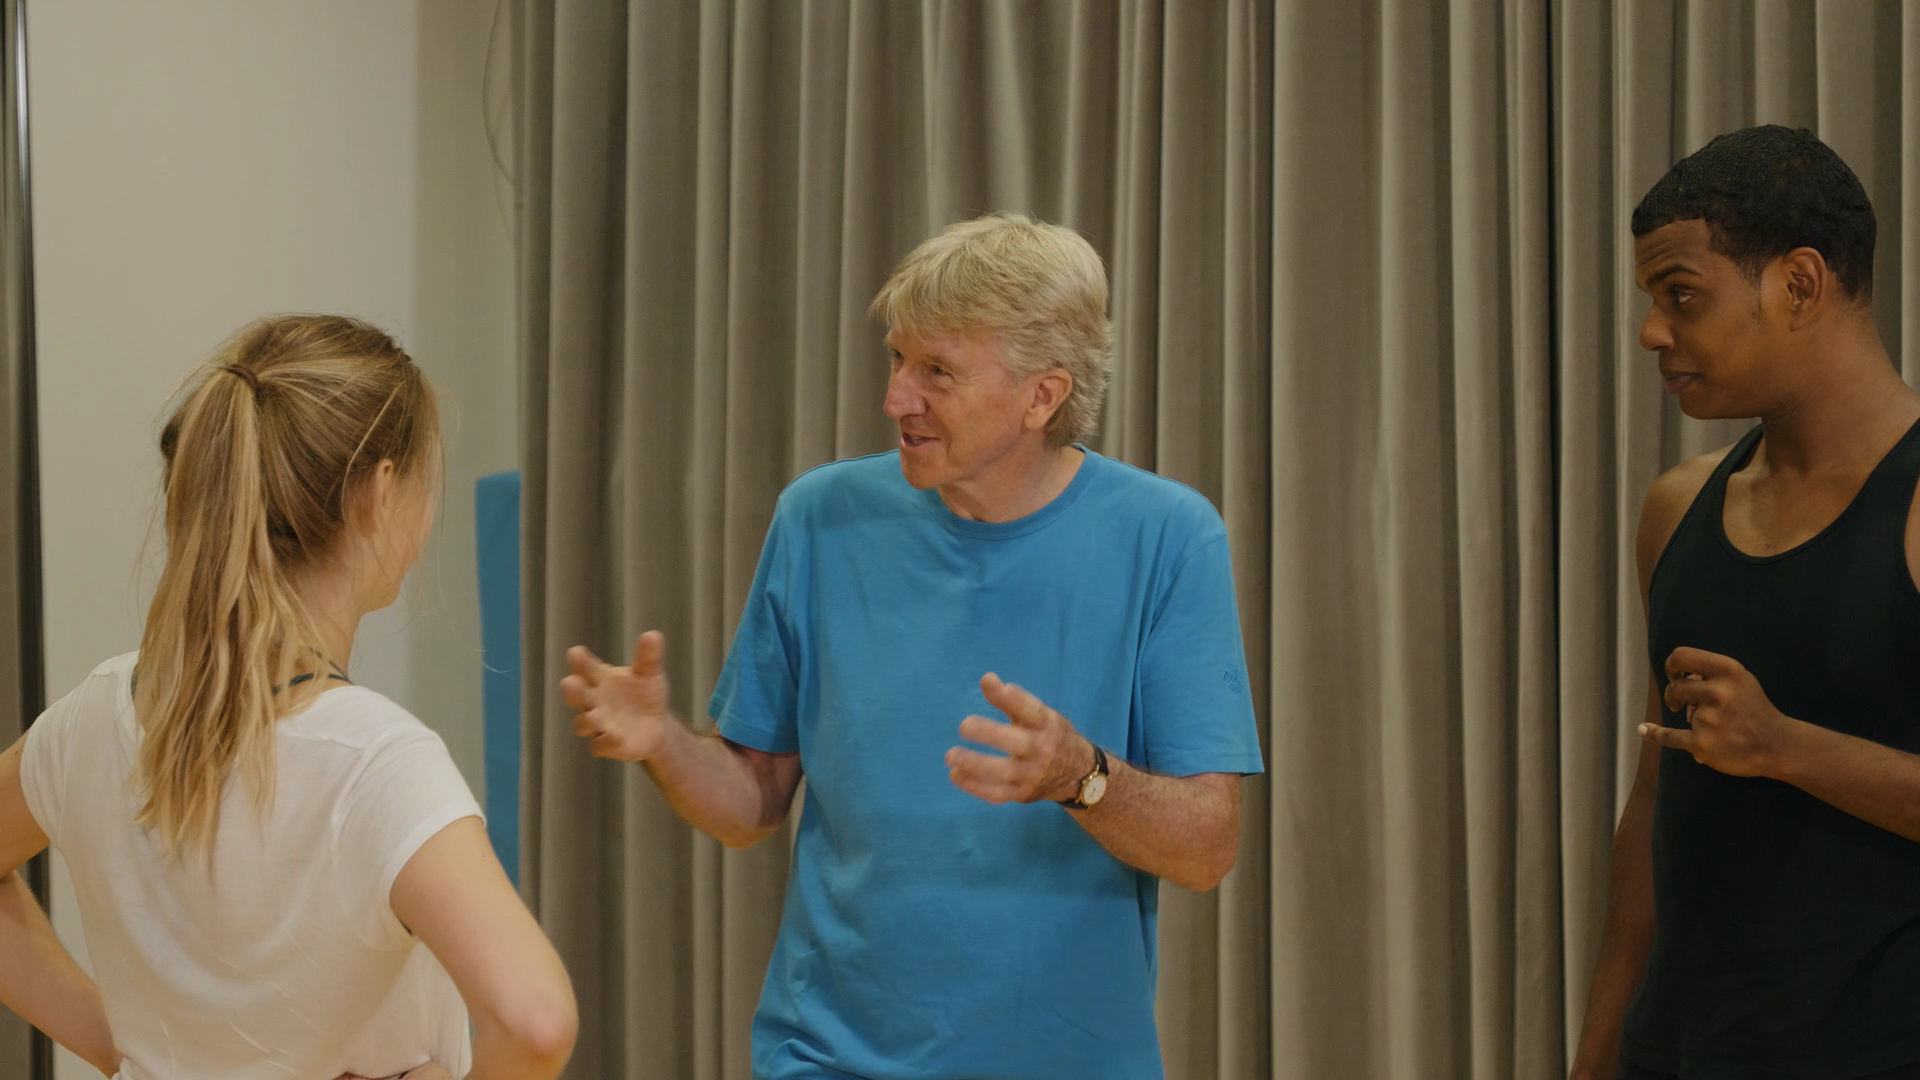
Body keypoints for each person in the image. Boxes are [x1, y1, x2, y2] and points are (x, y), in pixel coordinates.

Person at [563, 213, 1264, 1078]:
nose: (897, 398)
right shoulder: (820, 518)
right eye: (897, 359)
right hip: (826, 1057)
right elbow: (751, 803)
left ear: (1042, 396)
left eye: (938, 371)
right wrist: (663, 742)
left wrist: (1079, 775)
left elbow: (1207, 848)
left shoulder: (1169, 538)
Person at [0, 316, 577, 1079]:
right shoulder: (375, 762)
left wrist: (113, 1043)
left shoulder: (94, 715)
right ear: (379, 493)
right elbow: (536, 1023)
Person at [1570, 126, 1920, 1080]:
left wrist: (1787, 748)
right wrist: (1598, 1053)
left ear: (1798, 284)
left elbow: (1765, 750)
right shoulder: (1677, 506)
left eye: (1681, 294)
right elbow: (1654, 799)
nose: (1652, 331)